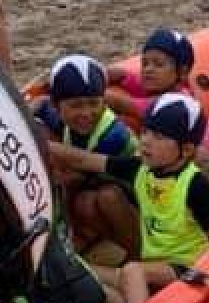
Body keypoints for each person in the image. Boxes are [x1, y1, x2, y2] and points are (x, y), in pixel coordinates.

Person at [47, 93, 209, 303]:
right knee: (81, 270)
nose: (145, 141)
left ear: (187, 150)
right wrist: (41, 144)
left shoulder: (196, 185)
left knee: (133, 270)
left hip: (188, 269)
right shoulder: (139, 169)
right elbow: (83, 160)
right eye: (145, 132)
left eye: (159, 136)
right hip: (153, 267)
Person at [103, 27, 209, 203]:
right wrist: (103, 74)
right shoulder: (168, 86)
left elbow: (118, 103)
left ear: (182, 72)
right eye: (145, 63)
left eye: (158, 64)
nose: (148, 69)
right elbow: (124, 76)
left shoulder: (174, 103)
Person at [30, 53, 139, 261]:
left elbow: (79, 168)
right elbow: (42, 102)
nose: (86, 113)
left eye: (93, 103)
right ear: (58, 106)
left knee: (99, 197)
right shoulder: (59, 116)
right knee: (84, 202)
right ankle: (87, 237)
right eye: (76, 105)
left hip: (139, 196)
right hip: (104, 183)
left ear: (104, 101)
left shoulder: (112, 135)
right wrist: (28, 110)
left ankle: (139, 254)